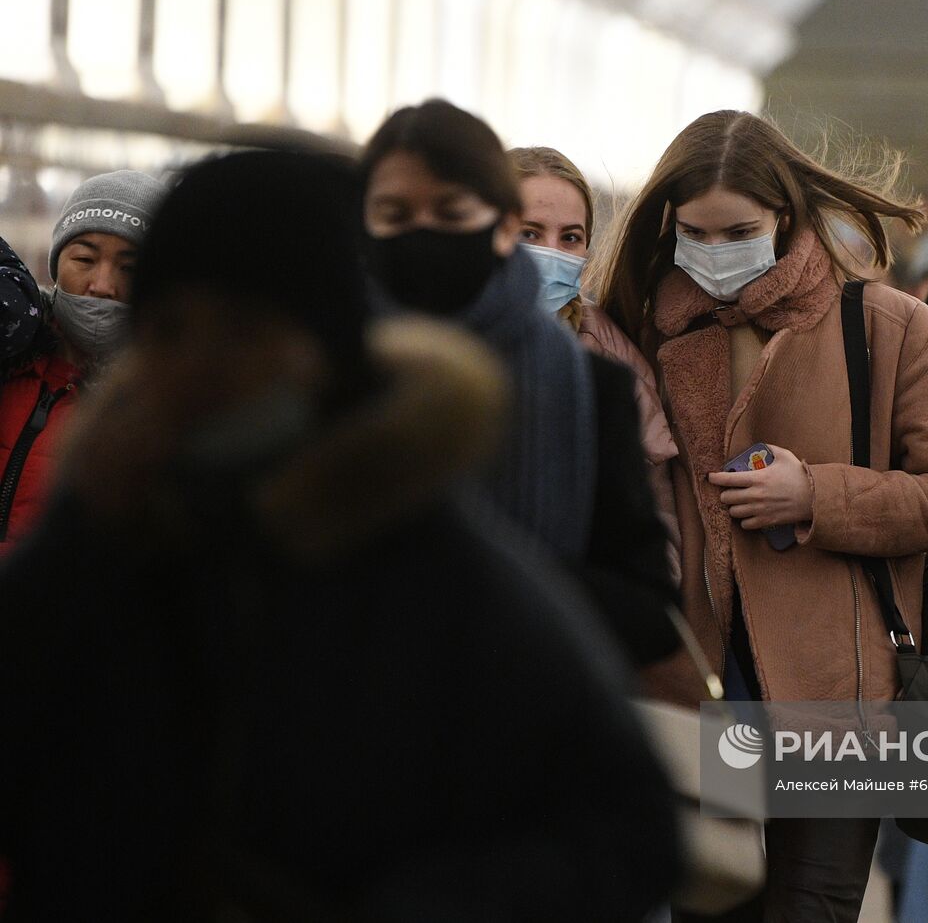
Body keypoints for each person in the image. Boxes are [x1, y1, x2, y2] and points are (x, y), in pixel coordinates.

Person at [0, 148, 679, 922]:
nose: (206, 365)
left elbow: (627, 826)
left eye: (245, 331)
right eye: (177, 328)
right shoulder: (108, 529)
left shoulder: (423, 556)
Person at [597, 109, 928, 922]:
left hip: (837, 691)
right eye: (696, 231)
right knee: (714, 897)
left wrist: (819, 497)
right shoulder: (636, 330)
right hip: (698, 685)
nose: (717, 249)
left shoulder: (886, 326)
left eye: (740, 229)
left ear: (788, 218)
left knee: (813, 905)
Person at [360, 99, 677, 666]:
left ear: (494, 225)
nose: (422, 237)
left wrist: (506, 588)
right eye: (395, 214)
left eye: (451, 214)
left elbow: (650, 605)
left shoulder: (597, 385)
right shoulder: (328, 368)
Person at [508, 144, 681, 580]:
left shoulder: (612, 360)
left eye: (570, 237)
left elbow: (660, 540)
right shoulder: (434, 341)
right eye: (529, 233)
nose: (552, 252)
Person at [0, 169, 165, 551]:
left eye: (130, 268)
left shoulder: (162, 403)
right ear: (56, 264)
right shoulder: (11, 349)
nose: (102, 285)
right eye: (85, 259)